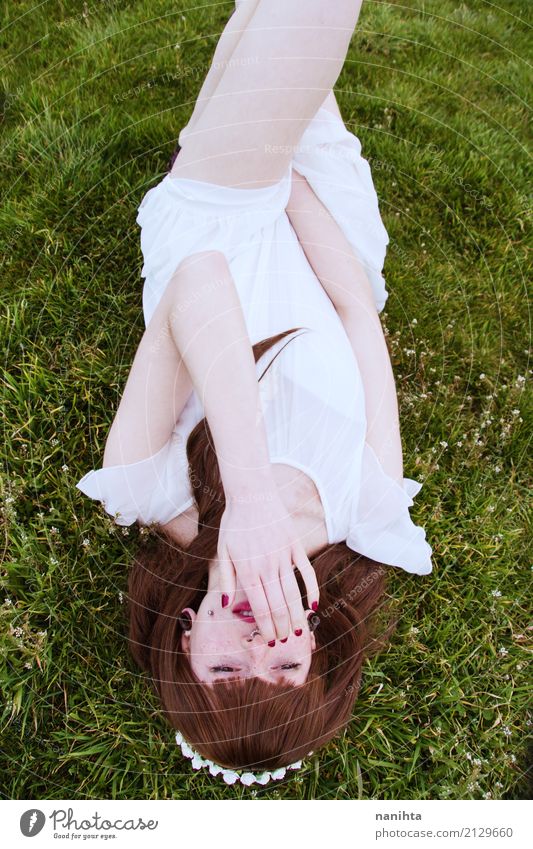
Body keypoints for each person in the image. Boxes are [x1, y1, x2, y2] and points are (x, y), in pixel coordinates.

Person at [76, 0, 432, 783]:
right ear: (313, 648)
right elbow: (355, 317)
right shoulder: (368, 513)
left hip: (218, 211)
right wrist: (296, 186)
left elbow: (199, 278)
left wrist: (251, 502)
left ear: (184, 636)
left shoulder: (151, 492)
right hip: (333, 224)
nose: (255, 651)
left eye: (225, 671)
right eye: (282, 673)